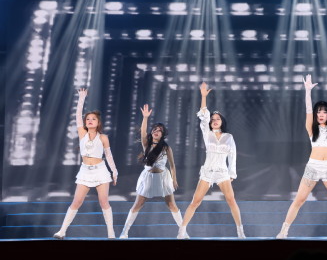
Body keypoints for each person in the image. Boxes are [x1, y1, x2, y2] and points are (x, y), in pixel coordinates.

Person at [275, 75, 327, 239]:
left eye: (324, 112)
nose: (321, 114)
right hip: (313, 167)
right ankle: (283, 231)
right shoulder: (312, 128)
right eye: (318, 112)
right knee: (299, 200)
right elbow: (307, 110)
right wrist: (307, 91)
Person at [177, 82, 245, 239]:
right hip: (207, 172)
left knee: (231, 201)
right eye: (213, 119)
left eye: (218, 119)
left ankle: (240, 231)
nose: (215, 120)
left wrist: (232, 173)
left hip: (222, 173)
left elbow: (233, 155)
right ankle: (181, 231)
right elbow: (204, 115)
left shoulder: (228, 137)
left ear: (222, 121)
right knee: (195, 202)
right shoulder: (207, 133)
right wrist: (203, 97)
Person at [53, 88, 118, 239]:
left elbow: (109, 156)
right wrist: (81, 97)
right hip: (85, 171)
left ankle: (111, 233)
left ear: (98, 122)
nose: (90, 120)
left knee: (104, 202)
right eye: (88, 119)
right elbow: (77, 115)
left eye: (93, 119)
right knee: (76, 201)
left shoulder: (103, 137)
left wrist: (114, 172)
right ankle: (62, 231)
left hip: (101, 171)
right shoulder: (82, 133)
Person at [119, 105, 185, 238]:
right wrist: (145, 118)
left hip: (163, 178)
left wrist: (174, 179)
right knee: (137, 204)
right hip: (148, 177)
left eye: (160, 130)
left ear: (163, 134)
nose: (156, 131)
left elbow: (172, 165)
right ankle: (124, 232)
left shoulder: (166, 148)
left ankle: (183, 233)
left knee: (172, 205)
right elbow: (143, 131)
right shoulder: (146, 144)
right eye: (155, 129)